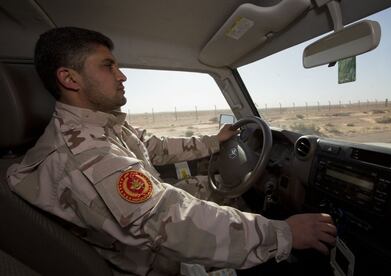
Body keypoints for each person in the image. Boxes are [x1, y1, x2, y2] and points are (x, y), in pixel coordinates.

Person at [7, 27, 337, 275]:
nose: (121, 75)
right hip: (152, 264)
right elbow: (171, 221)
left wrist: (213, 141)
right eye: (107, 66)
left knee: (209, 189)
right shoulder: (84, 155)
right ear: (70, 78)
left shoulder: (97, 126)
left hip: (146, 246)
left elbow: (153, 147)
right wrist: (283, 233)